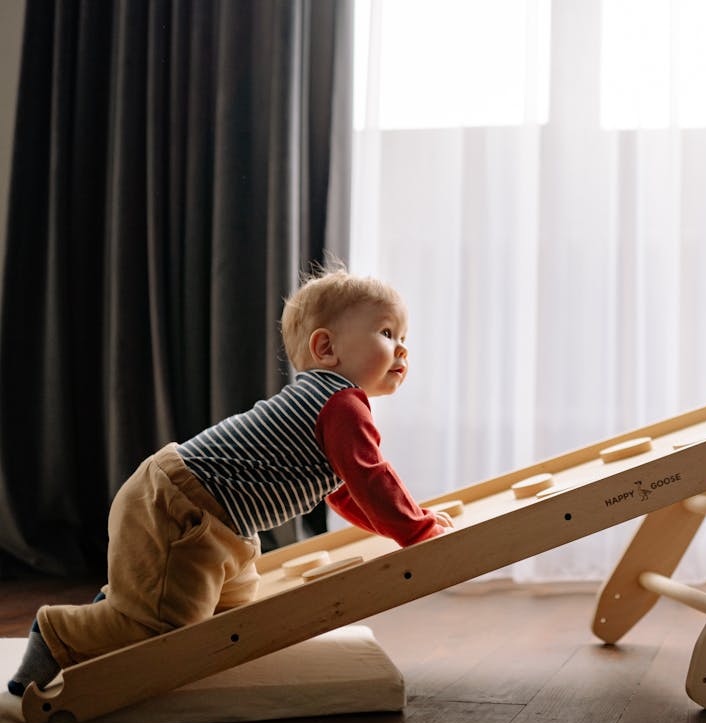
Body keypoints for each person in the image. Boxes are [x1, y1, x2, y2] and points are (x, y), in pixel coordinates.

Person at [8, 269, 451, 696]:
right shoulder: (341, 404)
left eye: (404, 339)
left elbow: (345, 489)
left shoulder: (325, 405)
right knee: (167, 629)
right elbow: (372, 479)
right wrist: (417, 529)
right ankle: (58, 634)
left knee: (236, 619)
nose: (402, 350)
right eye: (388, 334)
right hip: (182, 508)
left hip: (219, 524)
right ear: (325, 347)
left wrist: (405, 526)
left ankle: (126, 608)